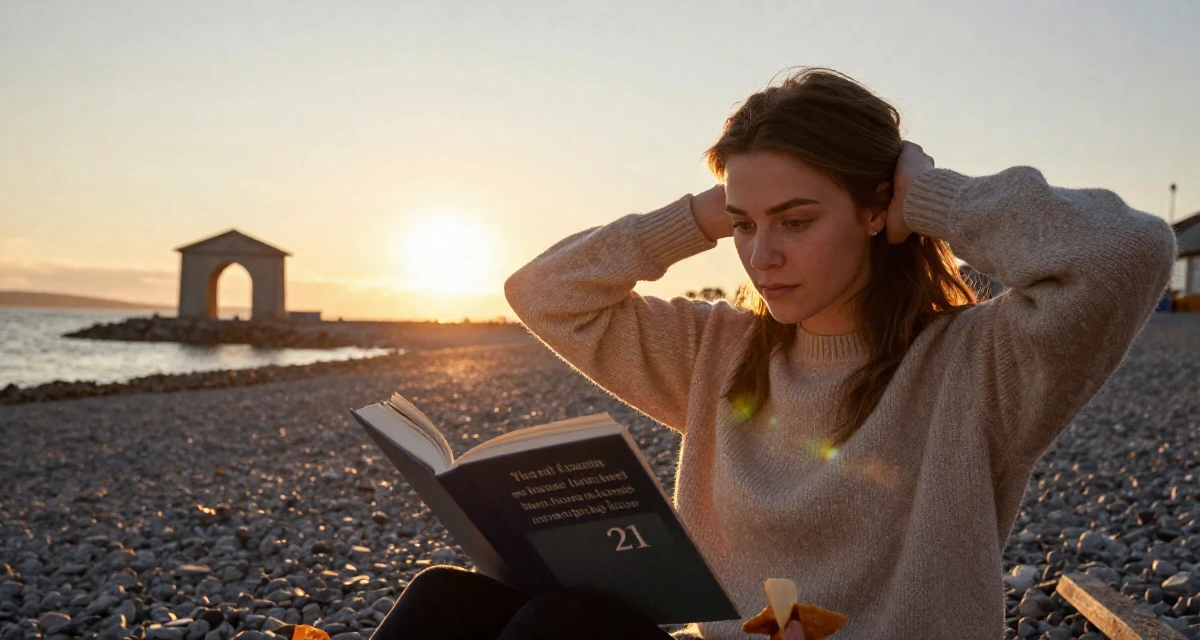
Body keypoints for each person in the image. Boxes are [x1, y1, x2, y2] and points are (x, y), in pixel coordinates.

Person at [373, 66, 1177, 639]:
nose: (762, 257)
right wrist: (701, 213)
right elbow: (542, 291)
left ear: (875, 211)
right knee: (452, 601)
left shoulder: (979, 365)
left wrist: (931, 196)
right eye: (745, 226)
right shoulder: (716, 352)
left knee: (560, 627)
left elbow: (1129, 251)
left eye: (795, 221)